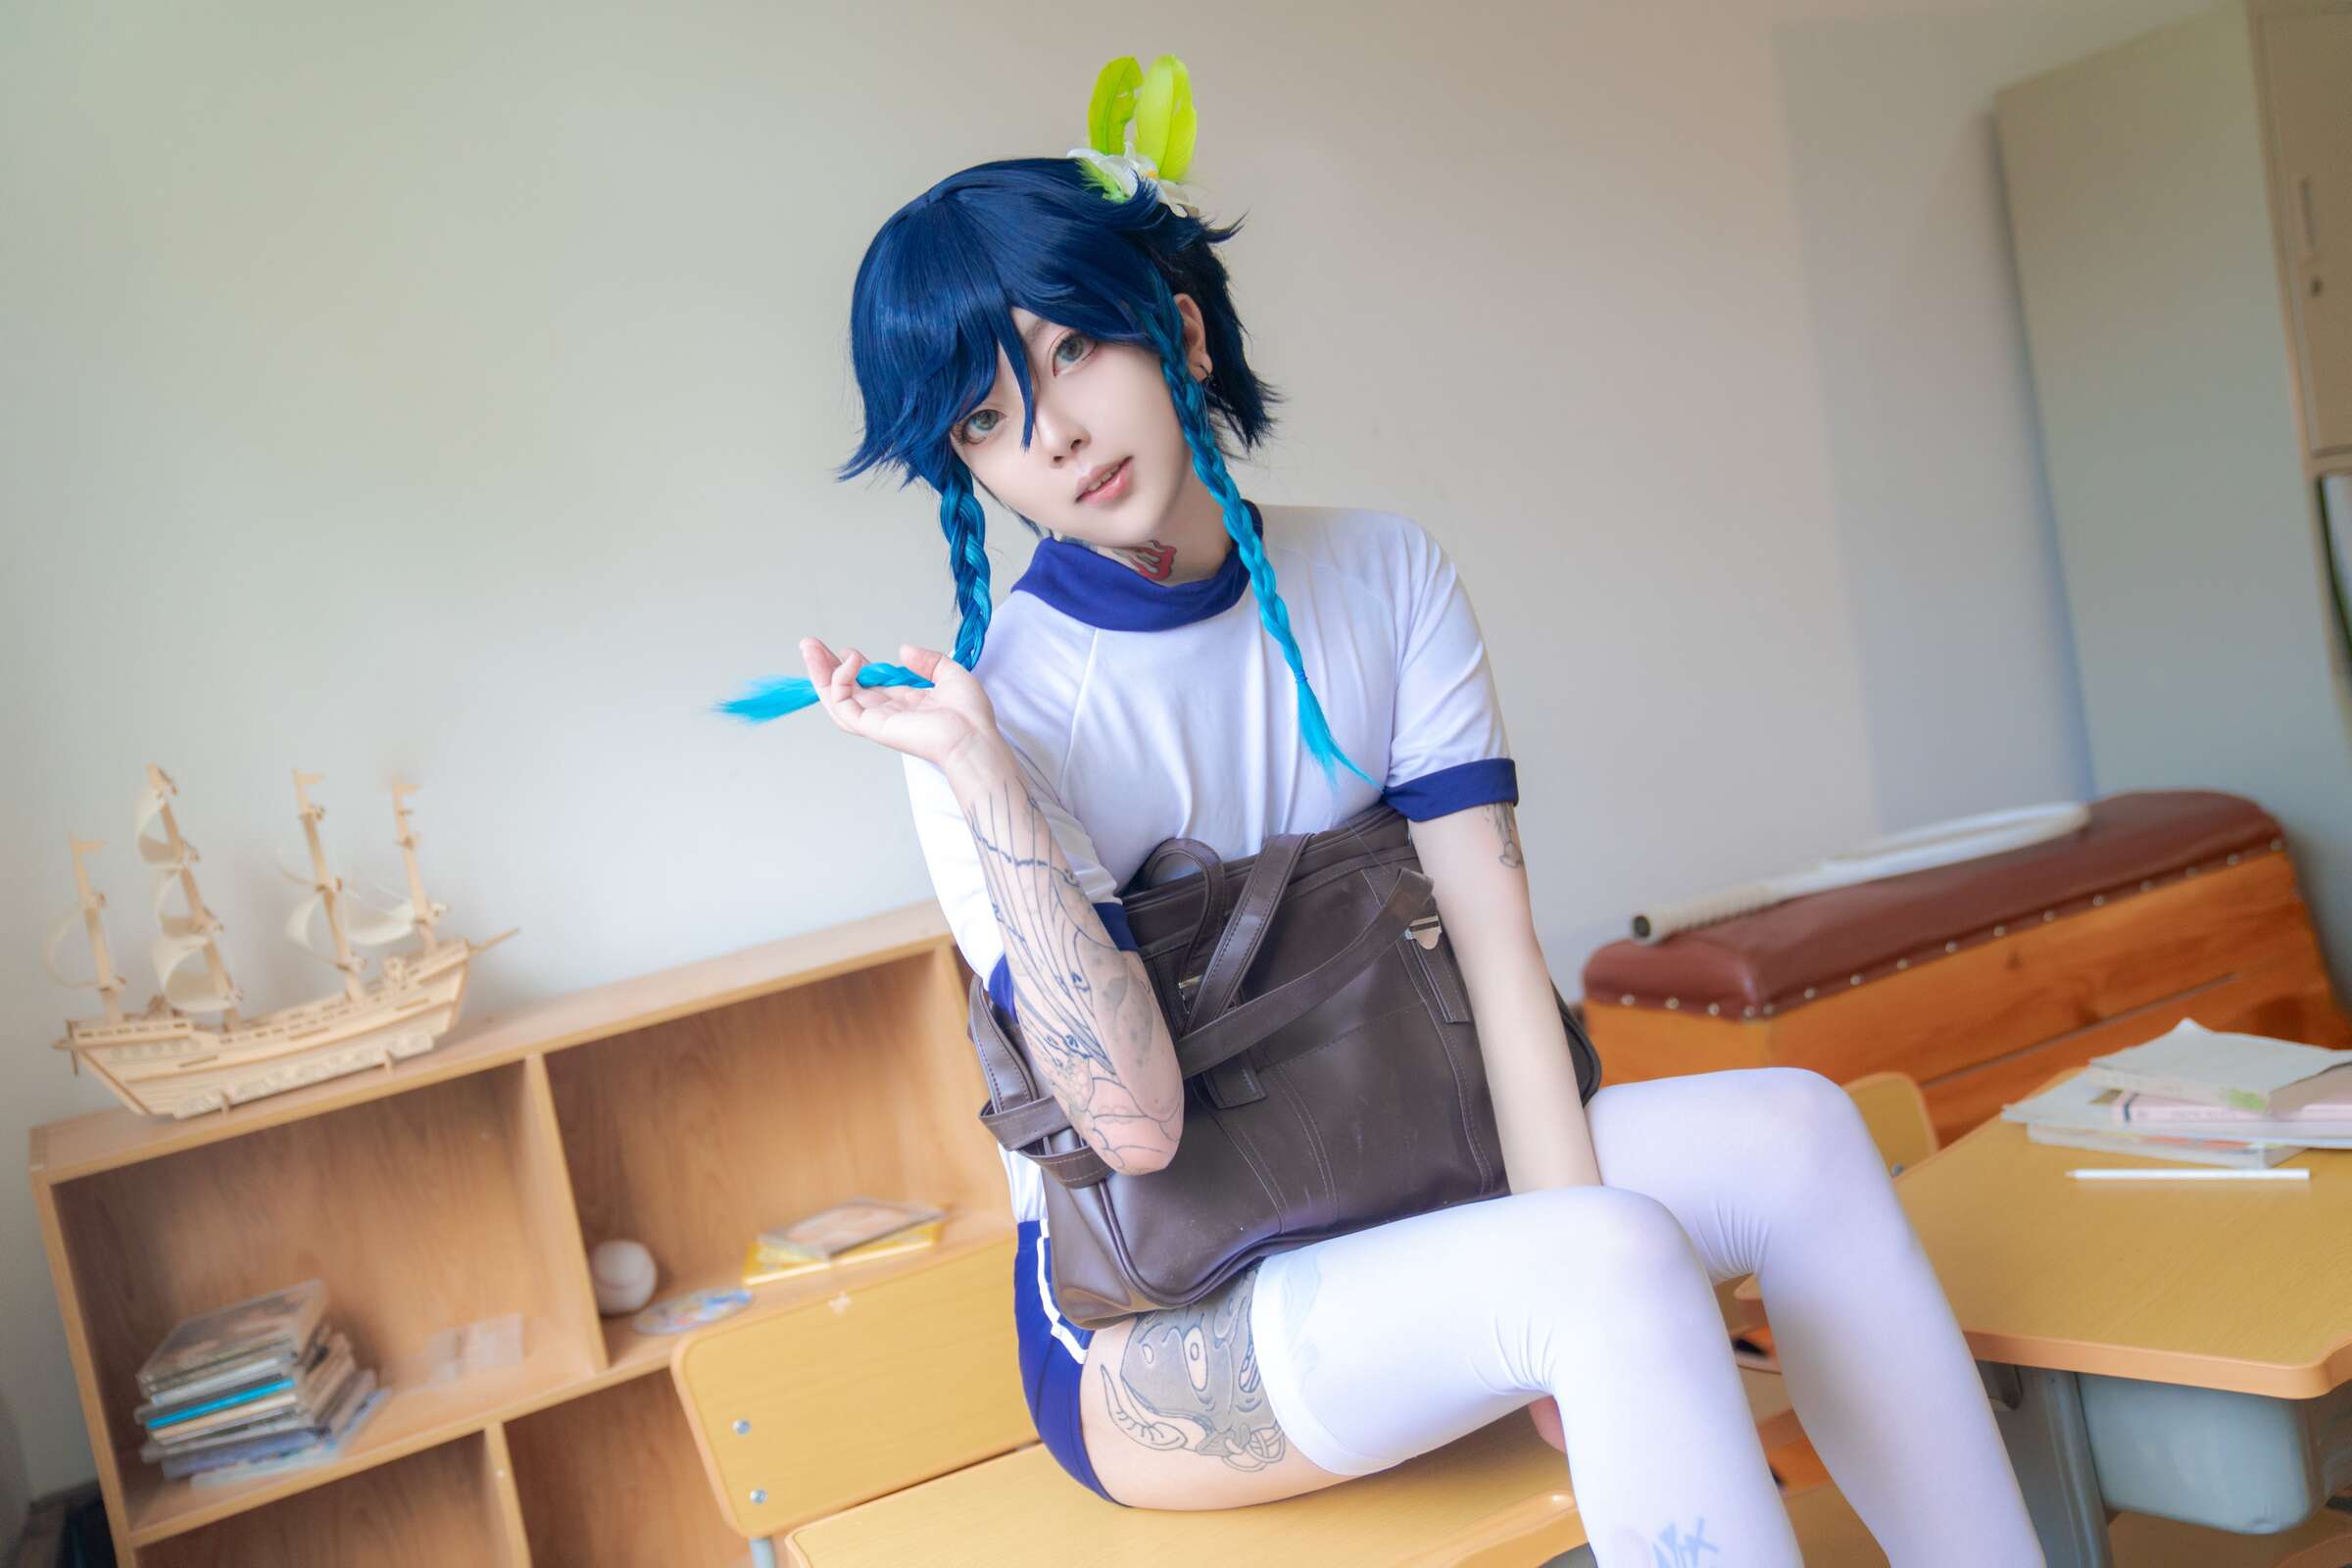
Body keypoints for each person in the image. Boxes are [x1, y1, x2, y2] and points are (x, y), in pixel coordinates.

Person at [760, 59, 2043, 1568]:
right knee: (1611, 1268)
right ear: (966, 464)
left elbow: (1500, 961)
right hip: (1168, 1324)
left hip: (1417, 1176)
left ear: (1177, 326)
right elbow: (1133, 1129)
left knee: (1801, 1135)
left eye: (1076, 347)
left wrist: (1555, 1283)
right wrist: (986, 783)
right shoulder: (996, 721)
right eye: (987, 418)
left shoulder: (1383, 575)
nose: (1054, 433)